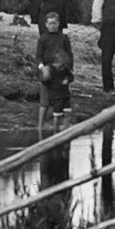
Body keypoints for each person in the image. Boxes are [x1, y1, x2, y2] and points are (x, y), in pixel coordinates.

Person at [35, 11, 75, 139]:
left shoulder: (64, 38)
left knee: (63, 99)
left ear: (59, 24)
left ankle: (62, 131)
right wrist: (42, 68)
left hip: (61, 70)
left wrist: (70, 69)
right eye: (50, 23)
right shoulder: (43, 39)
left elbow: (69, 54)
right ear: (46, 25)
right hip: (47, 70)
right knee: (44, 101)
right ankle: (40, 128)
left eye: (55, 23)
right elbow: (38, 56)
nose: (52, 26)